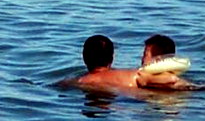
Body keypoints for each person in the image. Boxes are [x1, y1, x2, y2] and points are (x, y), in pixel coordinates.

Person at [65, 34, 195, 93]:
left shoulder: (78, 82)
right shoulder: (133, 75)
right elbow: (171, 79)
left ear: (84, 57)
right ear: (111, 58)